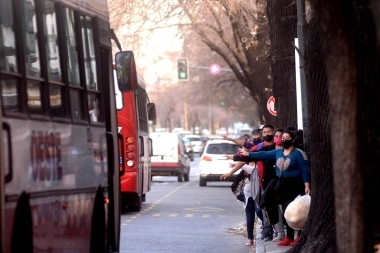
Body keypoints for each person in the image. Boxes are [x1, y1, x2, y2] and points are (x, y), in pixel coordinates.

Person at [238, 130, 311, 246]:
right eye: (283, 137)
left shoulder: (299, 153)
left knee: (298, 211)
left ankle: (300, 236)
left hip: (296, 185)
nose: (284, 140)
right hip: (282, 185)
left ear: (292, 140)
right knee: (286, 211)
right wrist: (248, 154)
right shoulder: (278, 152)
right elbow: (263, 154)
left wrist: (307, 185)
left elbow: (304, 170)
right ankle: (289, 237)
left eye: (287, 138)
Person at [222, 125, 276, 241]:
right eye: (265, 132)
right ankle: (268, 231)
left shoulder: (277, 147)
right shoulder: (258, 147)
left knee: (276, 208)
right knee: (264, 208)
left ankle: (278, 231)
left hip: (277, 181)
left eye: (269, 132)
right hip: (262, 182)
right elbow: (244, 159)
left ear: (273, 132)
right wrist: (230, 172)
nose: (267, 134)